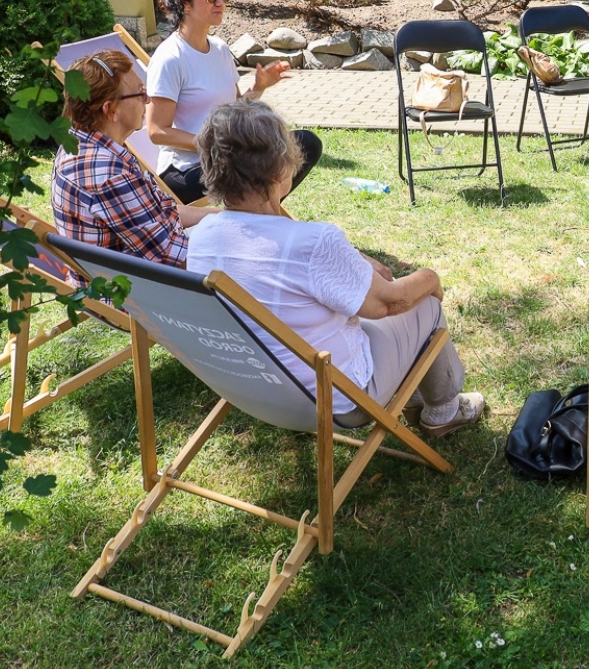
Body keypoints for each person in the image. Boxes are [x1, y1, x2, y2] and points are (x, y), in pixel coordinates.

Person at [186, 99, 483, 436]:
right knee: (422, 302)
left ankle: (415, 398)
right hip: (338, 398)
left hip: (256, 389)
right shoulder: (311, 242)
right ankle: (444, 410)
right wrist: (430, 278)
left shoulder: (201, 237)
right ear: (277, 169)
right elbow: (387, 304)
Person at [146, 0, 323, 205]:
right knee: (258, 171)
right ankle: (260, 220)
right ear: (184, 2)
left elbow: (234, 109)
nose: (220, 2)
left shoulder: (219, 49)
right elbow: (156, 131)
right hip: (187, 170)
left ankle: (258, 218)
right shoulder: (170, 58)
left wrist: (258, 87)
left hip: (229, 157)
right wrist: (212, 146)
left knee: (306, 144)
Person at [52, 49, 218, 270]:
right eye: (140, 93)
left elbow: (163, 210)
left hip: (133, 274)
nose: (147, 99)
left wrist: (225, 217)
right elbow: (174, 255)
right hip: (131, 297)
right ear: (110, 110)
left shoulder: (83, 143)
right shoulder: (108, 174)